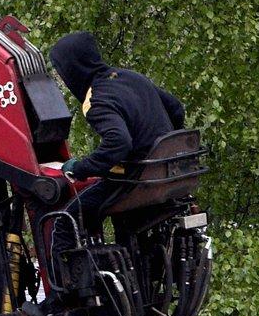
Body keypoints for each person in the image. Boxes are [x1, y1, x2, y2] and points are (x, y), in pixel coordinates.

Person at [46, 30, 187, 242]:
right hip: (168, 175)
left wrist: (80, 168)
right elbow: (176, 109)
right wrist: (164, 149)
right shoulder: (131, 76)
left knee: (66, 222)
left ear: (73, 68)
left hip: (136, 180)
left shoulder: (96, 99)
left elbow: (118, 142)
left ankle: (71, 275)